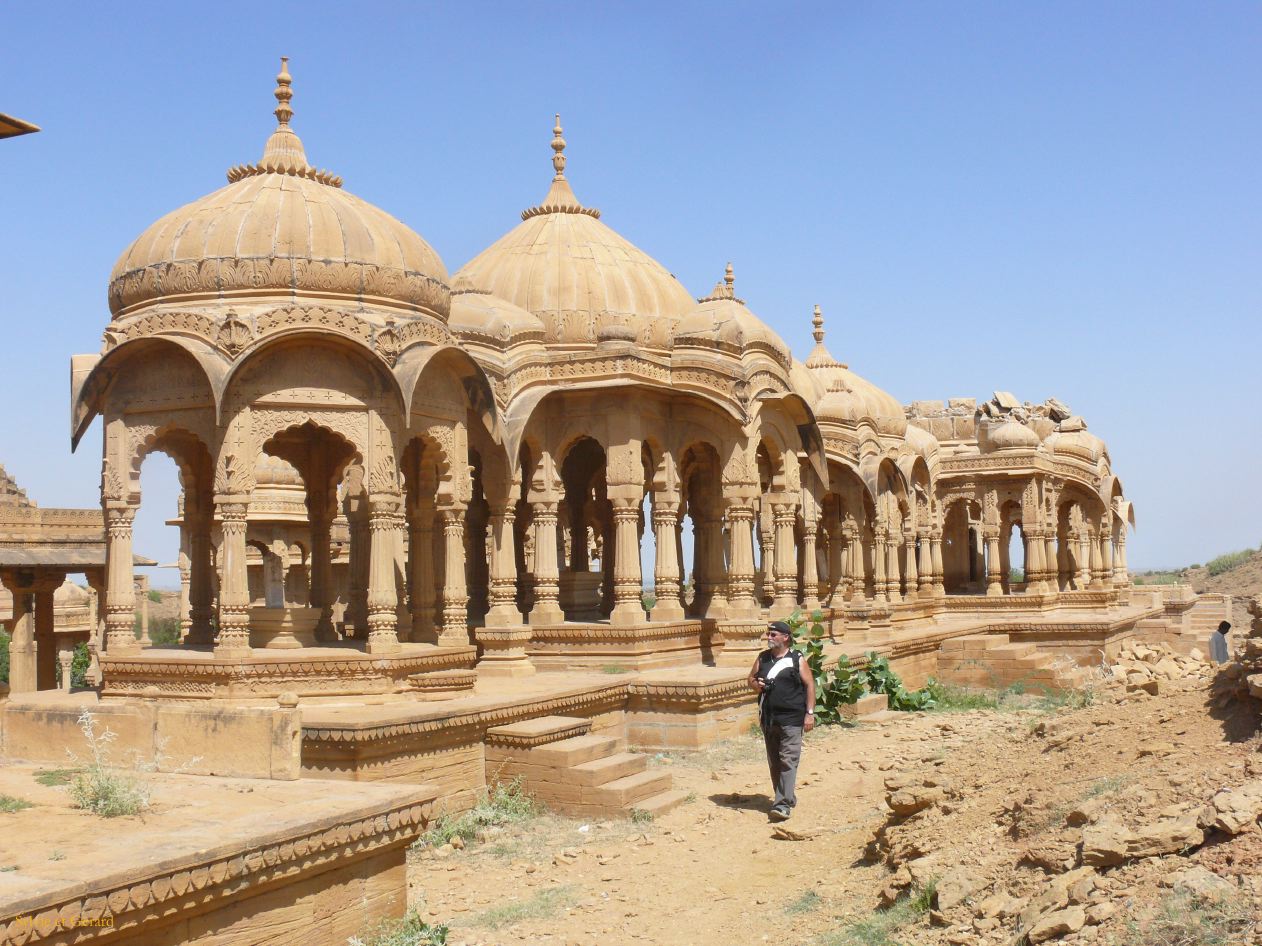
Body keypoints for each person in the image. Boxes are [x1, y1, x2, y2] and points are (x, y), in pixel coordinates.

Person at [747, 620, 815, 822]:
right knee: (775, 761)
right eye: (768, 634)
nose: (769, 637)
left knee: (788, 760)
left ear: (785, 637)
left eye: (773, 634)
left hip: (792, 718)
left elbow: (810, 684)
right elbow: (750, 679)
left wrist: (809, 713)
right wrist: (757, 685)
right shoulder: (763, 658)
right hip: (768, 718)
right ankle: (786, 795)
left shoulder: (797, 659)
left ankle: (782, 804)